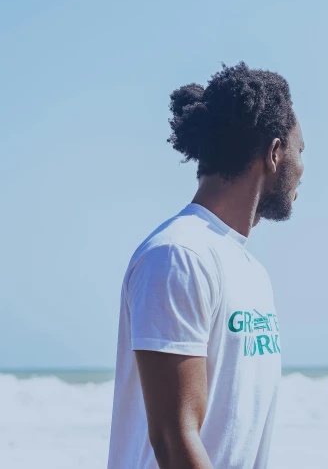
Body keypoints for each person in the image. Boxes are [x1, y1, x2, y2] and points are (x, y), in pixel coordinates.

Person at [107, 61, 305, 469]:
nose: (303, 169)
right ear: (274, 153)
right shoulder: (178, 255)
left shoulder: (251, 271)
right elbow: (173, 438)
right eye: (300, 151)